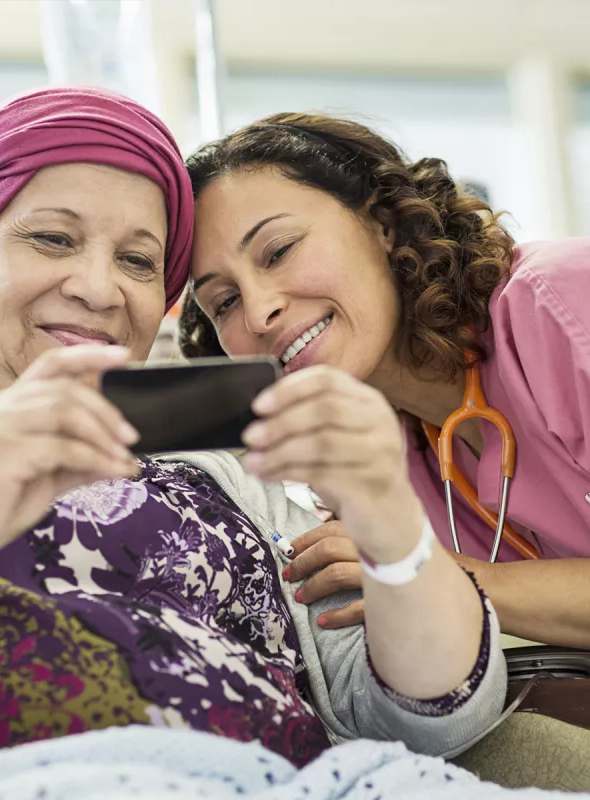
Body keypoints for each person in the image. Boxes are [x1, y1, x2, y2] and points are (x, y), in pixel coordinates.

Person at [0, 89, 503, 800]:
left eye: (137, 262)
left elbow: (438, 718)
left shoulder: (233, 468)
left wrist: (390, 521)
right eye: (53, 239)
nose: (101, 289)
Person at [179, 112, 590, 649]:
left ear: (382, 223)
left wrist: (436, 576)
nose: (259, 312)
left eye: (279, 251)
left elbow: (442, 585)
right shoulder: (373, 464)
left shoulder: (561, 301)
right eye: (224, 302)